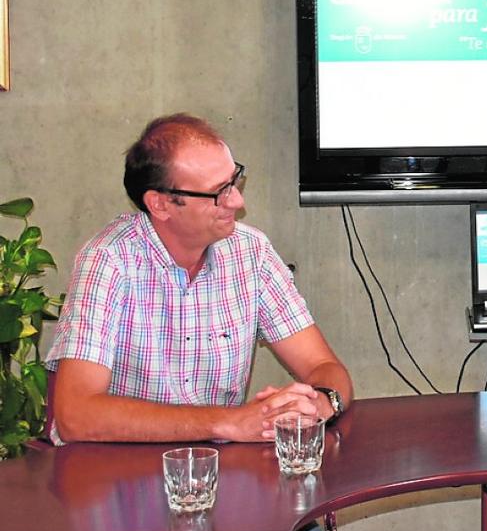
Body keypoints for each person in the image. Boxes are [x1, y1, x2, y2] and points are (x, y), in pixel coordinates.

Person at [46, 113, 353, 444]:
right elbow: (75, 415)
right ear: (160, 204)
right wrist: (227, 423)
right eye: (219, 192)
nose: (237, 201)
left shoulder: (251, 252)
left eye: (235, 181)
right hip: (118, 473)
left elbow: (323, 365)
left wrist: (320, 403)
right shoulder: (109, 260)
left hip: (218, 472)